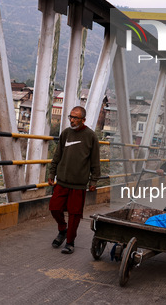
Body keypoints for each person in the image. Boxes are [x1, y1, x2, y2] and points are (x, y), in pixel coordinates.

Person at [48, 106, 101, 254]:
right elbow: (57, 155)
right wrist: (52, 173)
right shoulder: (66, 134)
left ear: (83, 120)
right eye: (70, 117)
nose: (72, 120)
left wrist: (93, 181)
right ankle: (62, 229)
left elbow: (95, 161)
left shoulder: (91, 136)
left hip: (78, 184)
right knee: (54, 208)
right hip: (62, 181)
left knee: (74, 215)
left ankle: (70, 242)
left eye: (75, 118)